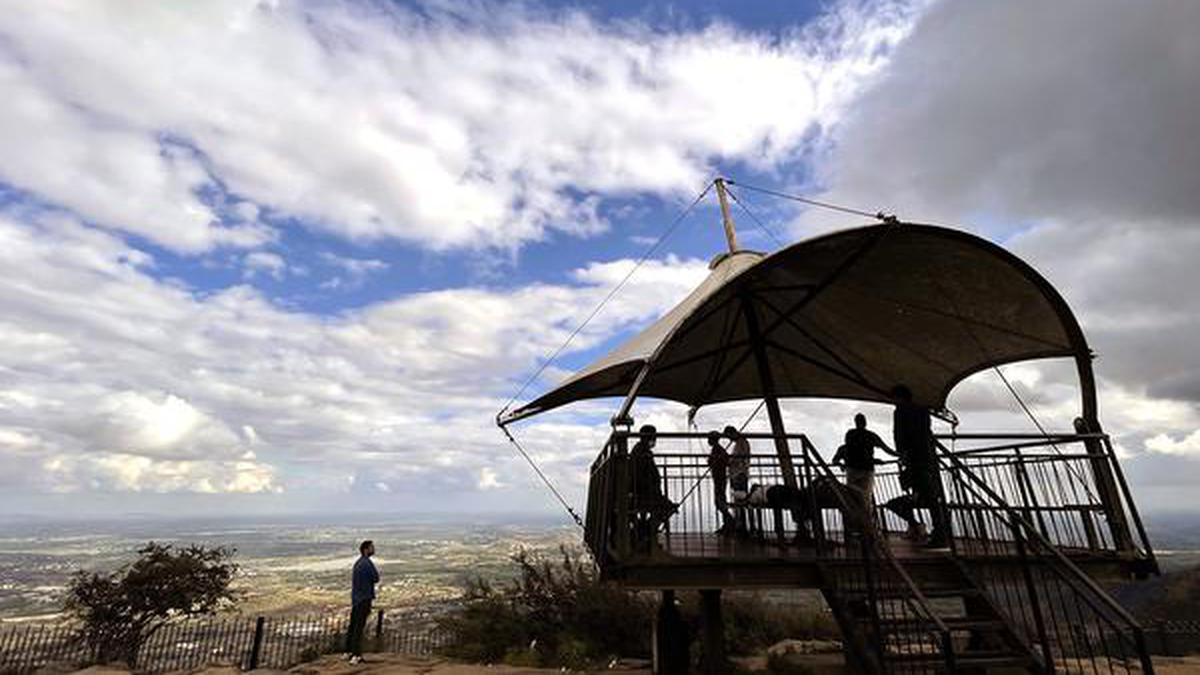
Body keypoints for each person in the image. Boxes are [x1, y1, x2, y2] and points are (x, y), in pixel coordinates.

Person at [885, 385, 950, 547]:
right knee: (933, 498)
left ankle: (939, 536)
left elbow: (899, 435)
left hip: (915, 460)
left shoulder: (900, 411)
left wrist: (902, 454)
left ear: (899, 397)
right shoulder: (922, 410)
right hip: (927, 458)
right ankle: (940, 532)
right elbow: (926, 432)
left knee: (928, 496)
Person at [833, 413, 895, 533]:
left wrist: (841, 465)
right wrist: (899, 455)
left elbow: (837, 458)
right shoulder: (870, 435)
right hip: (866, 470)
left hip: (852, 471)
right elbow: (885, 449)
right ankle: (867, 527)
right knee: (865, 499)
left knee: (853, 499)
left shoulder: (849, 437)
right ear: (864, 422)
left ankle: (857, 526)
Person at [630, 425, 674, 547]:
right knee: (667, 507)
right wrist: (654, 491)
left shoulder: (640, 450)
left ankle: (644, 532)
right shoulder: (642, 452)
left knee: (664, 506)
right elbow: (643, 475)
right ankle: (645, 533)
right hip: (644, 493)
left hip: (644, 492)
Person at [346, 540, 379, 663]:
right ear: (366, 549)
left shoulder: (358, 563)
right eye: (372, 547)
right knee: (359, 627)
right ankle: (356, 655)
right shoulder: (367, 563)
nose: (373, 549)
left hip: (356, 599)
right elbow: (376, 578)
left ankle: (348, 651)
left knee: (354, 625)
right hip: (365, 598)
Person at [705, 431, 735, 534]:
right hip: (719, 478)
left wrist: (711, 461)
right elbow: (725, 460)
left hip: (719, 478)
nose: (708, 441)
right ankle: (728, 524)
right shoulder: (718, 449)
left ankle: (730, 523)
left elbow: (725, 461)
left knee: (719, 501)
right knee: (720, 500)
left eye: (709, 439)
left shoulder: (717, 449)